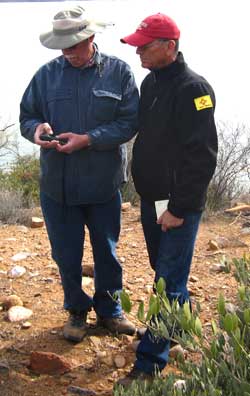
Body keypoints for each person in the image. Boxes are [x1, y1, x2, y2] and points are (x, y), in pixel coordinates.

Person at [19, 5, 139, 343]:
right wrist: (37, 130)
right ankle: (76, 309)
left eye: (72, 45)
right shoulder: (45, 75)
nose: (66, 52)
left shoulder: (119, 72)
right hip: (57, 187)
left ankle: (111, 310)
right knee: (66, 254)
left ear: (90, 37)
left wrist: (89, 139)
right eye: (62, 46)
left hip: (103, 185)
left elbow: (129, 123)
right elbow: (27, 116)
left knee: (107, 251)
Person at [117, 13, 218, 386]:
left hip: (177, 204)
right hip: (153, 199)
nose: (138, 52)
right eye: (137, 45)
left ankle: (149, 366)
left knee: (167, 282)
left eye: (145, 45)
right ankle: (178, 332)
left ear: (169, 47)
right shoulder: (151, 82)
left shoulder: (194, 88)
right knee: (165, 271)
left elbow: (203, 154)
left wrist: (179, 207)